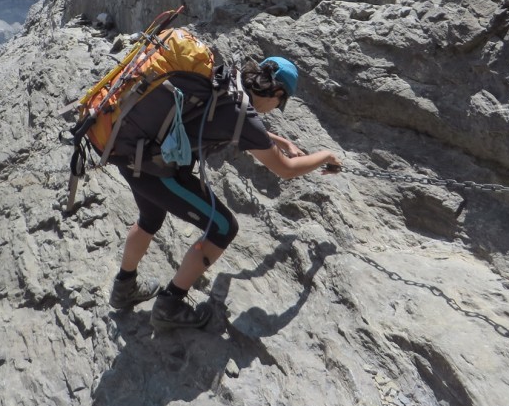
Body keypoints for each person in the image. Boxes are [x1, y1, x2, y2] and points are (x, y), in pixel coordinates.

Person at [105, 55, 342, 331]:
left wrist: (280, 140)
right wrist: (326, 155)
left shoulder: (227, 77)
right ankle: (169, 306)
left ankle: (123, 289)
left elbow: (236, 122)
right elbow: (286, 169)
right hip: (154, 170)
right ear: (276, 92)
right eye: (280, 103)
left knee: (150, 218)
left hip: (128, 150)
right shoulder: (243, 115)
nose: (275, 109)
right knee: (222, 226)